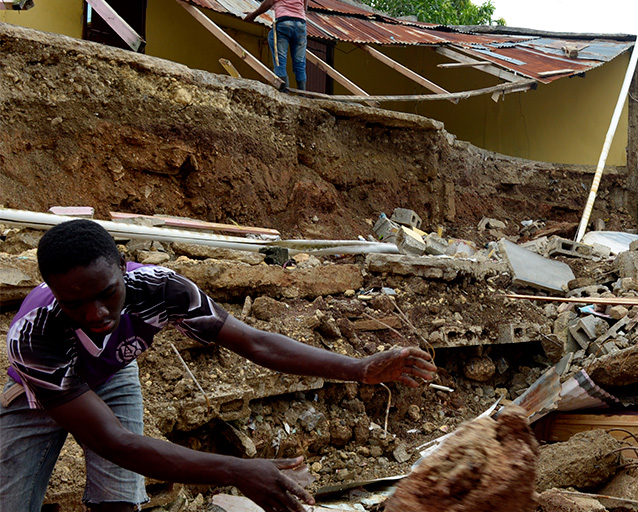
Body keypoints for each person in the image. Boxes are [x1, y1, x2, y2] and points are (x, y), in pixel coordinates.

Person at [1, 219, 437, 512]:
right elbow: (114, 442)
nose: (95, 314)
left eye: (106, 293)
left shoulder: (160, 289)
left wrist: (359, 368)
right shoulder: (34, 336)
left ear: (122, 262)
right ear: (53, 291)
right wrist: (235, 469)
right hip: (38, 394)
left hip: (113, 370)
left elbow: (255, 342)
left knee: (118, 496)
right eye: (75, 303)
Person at [245, 0, 311, 93]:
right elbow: (304, 9)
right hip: (301, 24)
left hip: (284, 21)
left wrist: (253, 15)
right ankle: (303, 94)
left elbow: (268, 2)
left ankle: (284, 92)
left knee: (280, 59)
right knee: (300, 63)